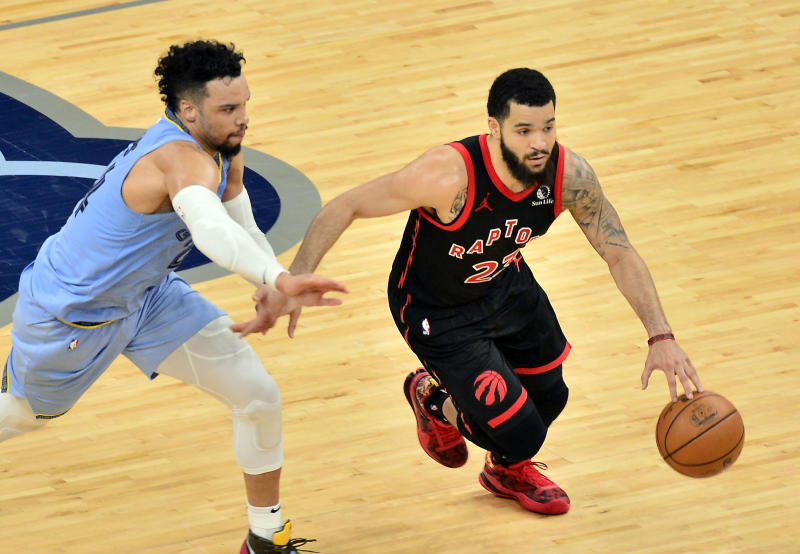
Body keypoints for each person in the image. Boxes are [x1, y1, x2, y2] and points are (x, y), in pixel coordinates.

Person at [0, 40, 345, 554]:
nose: (243, 118)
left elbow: (234, 205)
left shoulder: (220, 142)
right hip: (72, 313)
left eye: (244, 104)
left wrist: (268, 282)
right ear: (188, 110)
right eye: (228, 110)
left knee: (257, 393)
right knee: (22, 414)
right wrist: (277, 278)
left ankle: (266, 540)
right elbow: (212, 231)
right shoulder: (180, 158)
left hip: (147, 294)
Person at [281, 68, 701, 516]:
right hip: (436, 310)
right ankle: (432, 397)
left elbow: (619, 251)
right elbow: (346, 205)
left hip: (506, 288)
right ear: (494, 129)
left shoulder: (568, 176)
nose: (539, 142)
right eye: (524, 131)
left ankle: (504, 471)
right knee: (521, 433)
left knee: (551, 397)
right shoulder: (445, 175)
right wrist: (295, 277)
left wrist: (662, 336)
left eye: (548, 127)